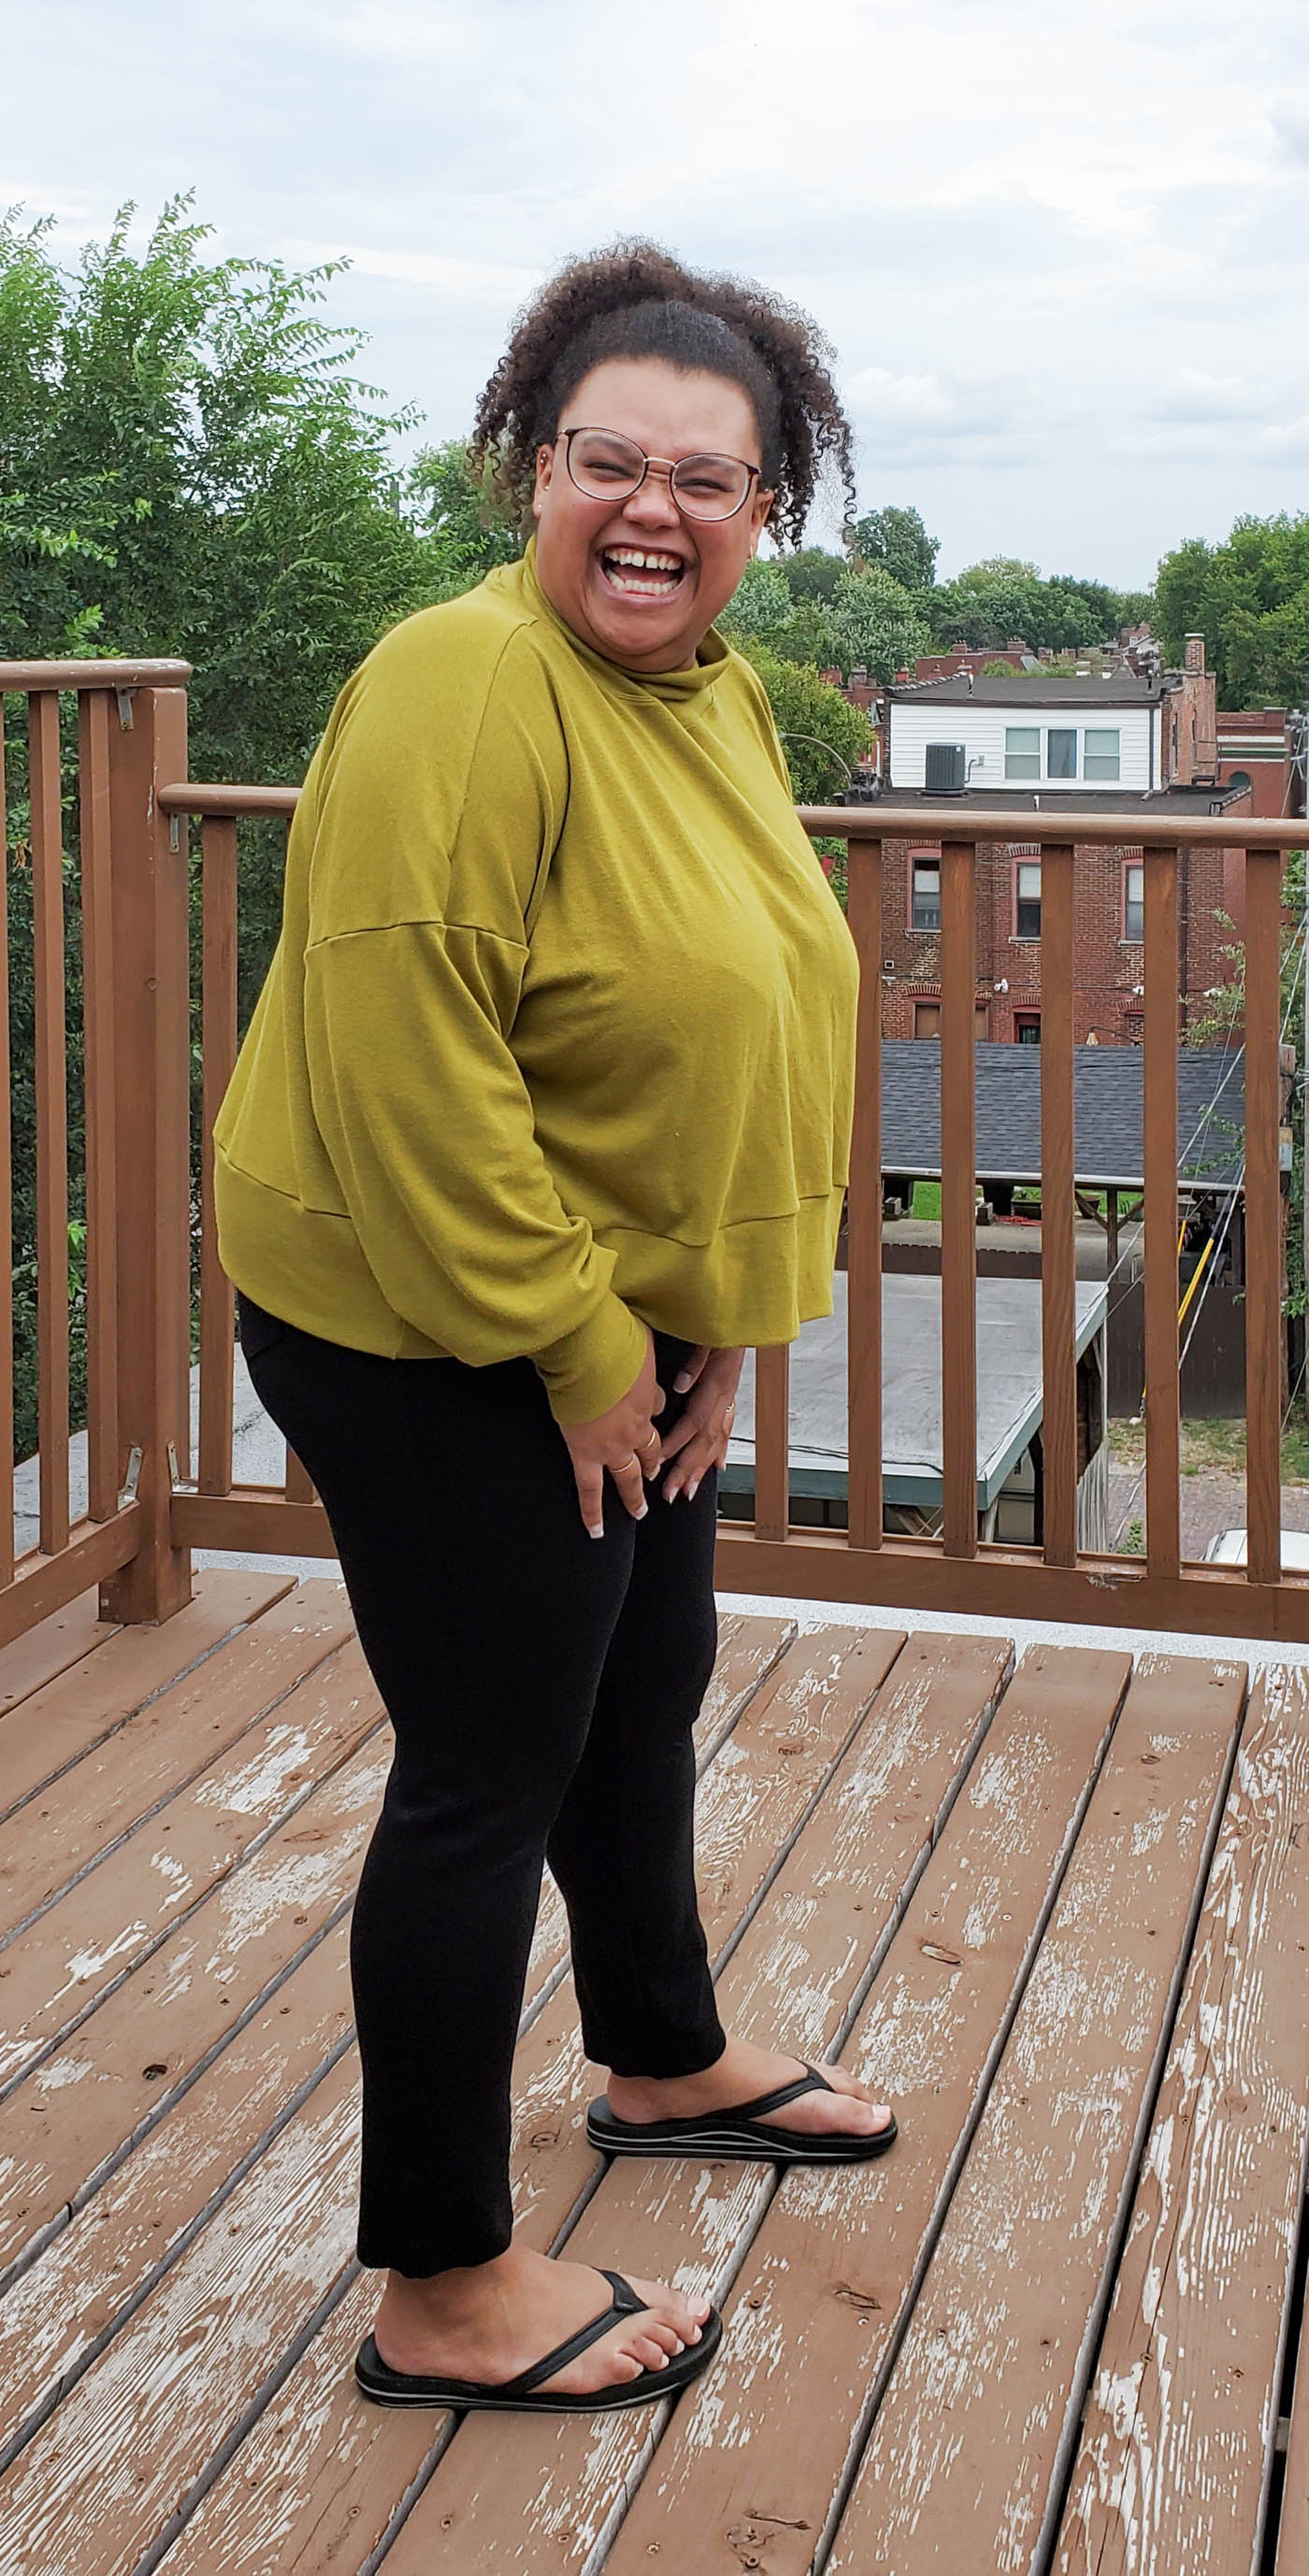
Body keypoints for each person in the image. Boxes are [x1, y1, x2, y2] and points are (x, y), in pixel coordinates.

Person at [213, 239, 896, 2421]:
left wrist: (713, 1313)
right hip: (427, 1314)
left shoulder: (713, 698)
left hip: (610, 1304)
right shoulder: (456, 676)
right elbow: (414, 1050)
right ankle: (437, 2283)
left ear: (764, 517)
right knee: (485, 1765)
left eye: (710, 480)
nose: (654, 510)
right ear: (531, 461)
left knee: (642, 1682)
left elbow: (751, 1010)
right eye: (611, 461)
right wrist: (577, 1343)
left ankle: (665, 2055)